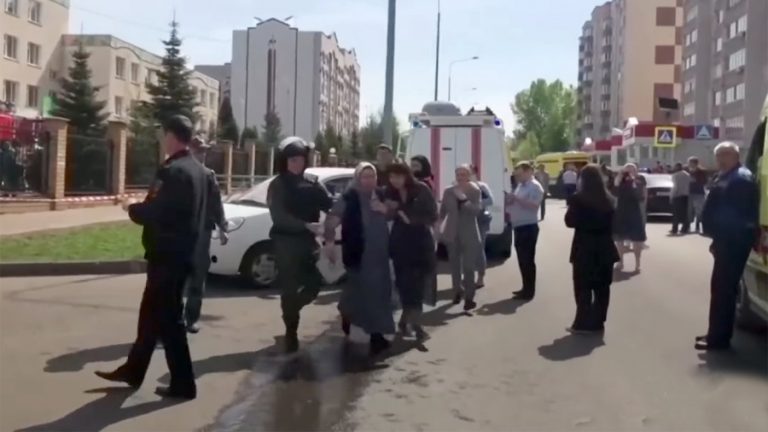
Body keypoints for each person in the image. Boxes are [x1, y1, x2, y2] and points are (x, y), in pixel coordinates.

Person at [95, 115, 206, 400]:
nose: (162, 140)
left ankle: (184, 384)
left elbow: (155, 211)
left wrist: (130, 208)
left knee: (170, 322)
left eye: (163, 134)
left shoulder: (173, 171)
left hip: (167, 256)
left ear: (171, 136)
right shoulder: (197, 169)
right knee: (150, 316)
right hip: (182, 254)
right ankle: (133, 370)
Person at [267, 136, 333, 353]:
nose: (297, 164)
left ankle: (291, 310)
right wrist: (306, 225)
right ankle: (291, 332)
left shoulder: (312, 183)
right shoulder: (278, 185)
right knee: (289, 288)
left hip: (307, 243)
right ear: (285, 161)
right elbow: (279, 216)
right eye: (293, 160)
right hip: (286, 242)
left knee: (314, 285)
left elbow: (330, 204)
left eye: (301, 160)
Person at [323, 162, 394, 355]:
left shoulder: (381, 195)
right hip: (359, 253)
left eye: (372, 176)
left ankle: (375, 333)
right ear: (357, 178)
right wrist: (329, 242)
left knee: (380, 293)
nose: (369, 180)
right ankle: (352, 317)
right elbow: (332, 220)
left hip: (380, 254)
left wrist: (385, 210)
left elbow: (395, 213)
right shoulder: (350, 197)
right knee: (362, 292)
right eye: (365, 176)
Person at [697, 141, 759, 351]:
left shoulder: (740, 178)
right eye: (719, 155)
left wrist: (721, 240)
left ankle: (718, 339)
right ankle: (715, 333)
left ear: (736, 155)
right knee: (720, 289)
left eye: (725, 154)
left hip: (733, 242)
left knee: (723, 290)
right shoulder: (727, 176)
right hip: (726, 241)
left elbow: (736, 217)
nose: (721, 159)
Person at [386, 162, 438, 340]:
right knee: (404, 286)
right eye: (391, 177)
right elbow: (386, 215)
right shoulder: (389, 192)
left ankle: (416, 325)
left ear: (407, 176)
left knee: (417, 287)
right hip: (400, 245)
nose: (395, 180)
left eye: (398, 176)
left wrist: (407, 215)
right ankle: (405, 321)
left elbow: (432, 215)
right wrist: (388, 210)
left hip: (420, 244)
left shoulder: (421, 189)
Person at [565, 164, 619, 333]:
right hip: (605, 248)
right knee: (602, 288)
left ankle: (582, 322)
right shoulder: (610, 199)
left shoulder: (577, 199)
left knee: (583, 287)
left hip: (584, 248)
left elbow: (569, 222)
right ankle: (598, 322)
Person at [184, 135, 228, 334]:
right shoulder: (181, 174)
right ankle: (171, 321)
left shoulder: (209, 175)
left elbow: (216, 203)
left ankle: (191, 319)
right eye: (198, 150)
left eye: (204, 151)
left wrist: (223, 227)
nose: (202, 154)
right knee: (176, 280)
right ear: (190, 151)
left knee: (198, 278)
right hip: (181, 234)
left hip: (202, 234)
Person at [439, 164, 482, 311]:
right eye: (458, 174)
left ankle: (469, 298)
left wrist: (464, 200)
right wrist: (438, 227)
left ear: (469, 176)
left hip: (469, 233)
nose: (460, 177)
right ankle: (457, 291)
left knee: (469, 267)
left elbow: (476, 211)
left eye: (463, 174)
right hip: (452, 232)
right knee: (454, 266)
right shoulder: (448, 191)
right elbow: (443, 211)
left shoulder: (475, 190)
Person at [506, 162, 544, 301]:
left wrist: (516, 198)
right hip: (518, 226)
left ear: (529, 172)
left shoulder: (535, 187)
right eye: (517, 174)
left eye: (520, 174)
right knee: (522, 260)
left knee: (527, 260)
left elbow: (534, 205)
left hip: (528, 226)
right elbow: (517, 203)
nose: (518, 177)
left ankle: (529, 291)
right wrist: (510, 200)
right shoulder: (520, 186)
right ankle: (525, 287)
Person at [612, 163, 647, 272]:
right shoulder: (620, 180)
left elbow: (641, 196)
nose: (630, 172)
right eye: (627, 170)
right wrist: (619, 177)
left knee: (637, 240)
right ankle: (620, 262)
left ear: (636, 171)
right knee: (619, 239)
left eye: (632, 170)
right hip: (621, 212)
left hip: (634, 212)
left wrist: (633, 182)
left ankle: (637, 264)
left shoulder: (639, 180)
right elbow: (614, 192)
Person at [471, 164, 494, 287]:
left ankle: (480, 278)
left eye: (469, 173)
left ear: (475, 174)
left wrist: (476, 202)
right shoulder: (459, 187)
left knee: (479, 249)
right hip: (464, 220)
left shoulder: (481, 186)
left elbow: (490, 200)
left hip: (480, 219)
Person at [687, 157, 708, 233]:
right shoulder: (687, 171)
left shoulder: (701, 171)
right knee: (689, 210)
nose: (689, 164)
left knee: (699, 211)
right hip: (690, 192)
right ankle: (688, 226)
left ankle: (697, 226)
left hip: (699, 193)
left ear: (694, 163)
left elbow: (704, 181)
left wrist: (695, 180)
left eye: (690, 163)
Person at [670, 162, 691, 235]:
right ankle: (684, 228)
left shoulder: (675, 175)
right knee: (685, 213)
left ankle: (674, 229)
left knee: (676, 213)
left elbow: (675, 186)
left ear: (677, 167)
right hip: (686, 196)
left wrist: (671, 196)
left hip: (677, 196)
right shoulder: (687, 174)